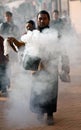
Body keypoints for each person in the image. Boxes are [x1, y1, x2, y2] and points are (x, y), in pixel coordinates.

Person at [7, 10, 70, 125]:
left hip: (51, 67)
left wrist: (65, 65)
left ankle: (50, 115)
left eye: (44, 18)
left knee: (51, 92)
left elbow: (63, 50)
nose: (42, 20)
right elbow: (24, 48)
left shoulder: (55, 34)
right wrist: (13, 42)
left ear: (48, 20)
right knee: (38, 91)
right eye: (40, 18)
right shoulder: (33, 34)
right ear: (37, 20)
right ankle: (40, 112)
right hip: (37, 67)